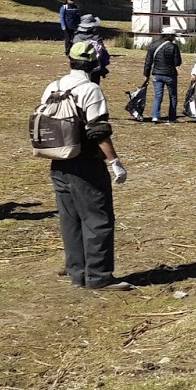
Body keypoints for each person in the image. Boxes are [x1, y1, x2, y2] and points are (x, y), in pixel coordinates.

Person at [46, 42, 133, 291]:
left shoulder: (53, 87)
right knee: (98, 218)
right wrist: (116, 163)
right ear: (95, 64)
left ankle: (77, 272)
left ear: (69, 62)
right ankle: (98, 276)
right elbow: (99, 132)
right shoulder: (90, 90)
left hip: (58, 161)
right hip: (85, 163)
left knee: (69, 219)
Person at [143, 26, 183, 124]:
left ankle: (155, 116)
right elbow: (177, 62)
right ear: (169, 35)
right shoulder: (173, 46)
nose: (174, 38)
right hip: (170, 74)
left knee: (158, 96)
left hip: (156, 74)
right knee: (173, 96)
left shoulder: (153, 45)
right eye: (173, 36)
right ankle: (172, 117)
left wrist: (146, 74)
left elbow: (148, 61)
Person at [71, 13, 112, 80]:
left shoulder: (76, 38)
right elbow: (103, 53)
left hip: (78, 67)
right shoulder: (96, 38)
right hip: (94, 67)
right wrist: (103, 67)